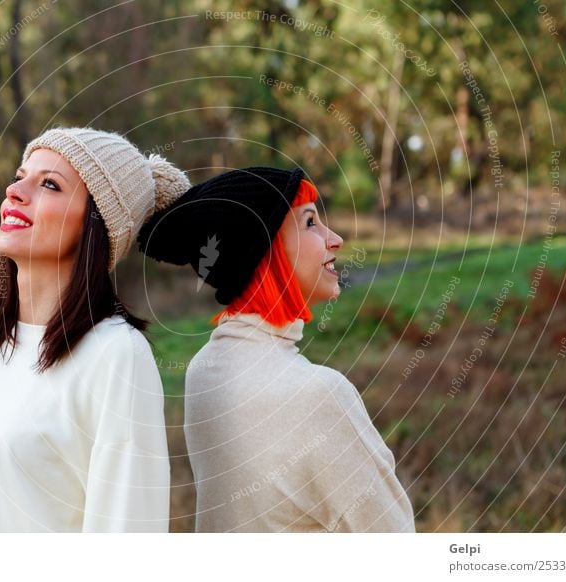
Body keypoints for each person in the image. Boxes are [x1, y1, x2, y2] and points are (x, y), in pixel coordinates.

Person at [0, 127, 190, 532]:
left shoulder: (116, 355)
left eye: (50, 184)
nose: (14, 191)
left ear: (96, 226)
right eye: (20, 176)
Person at [138, 167, 415, 532]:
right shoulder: (318, 395)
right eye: (310, 223)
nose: (336, 239)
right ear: (263, 249)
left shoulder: (204, 370)